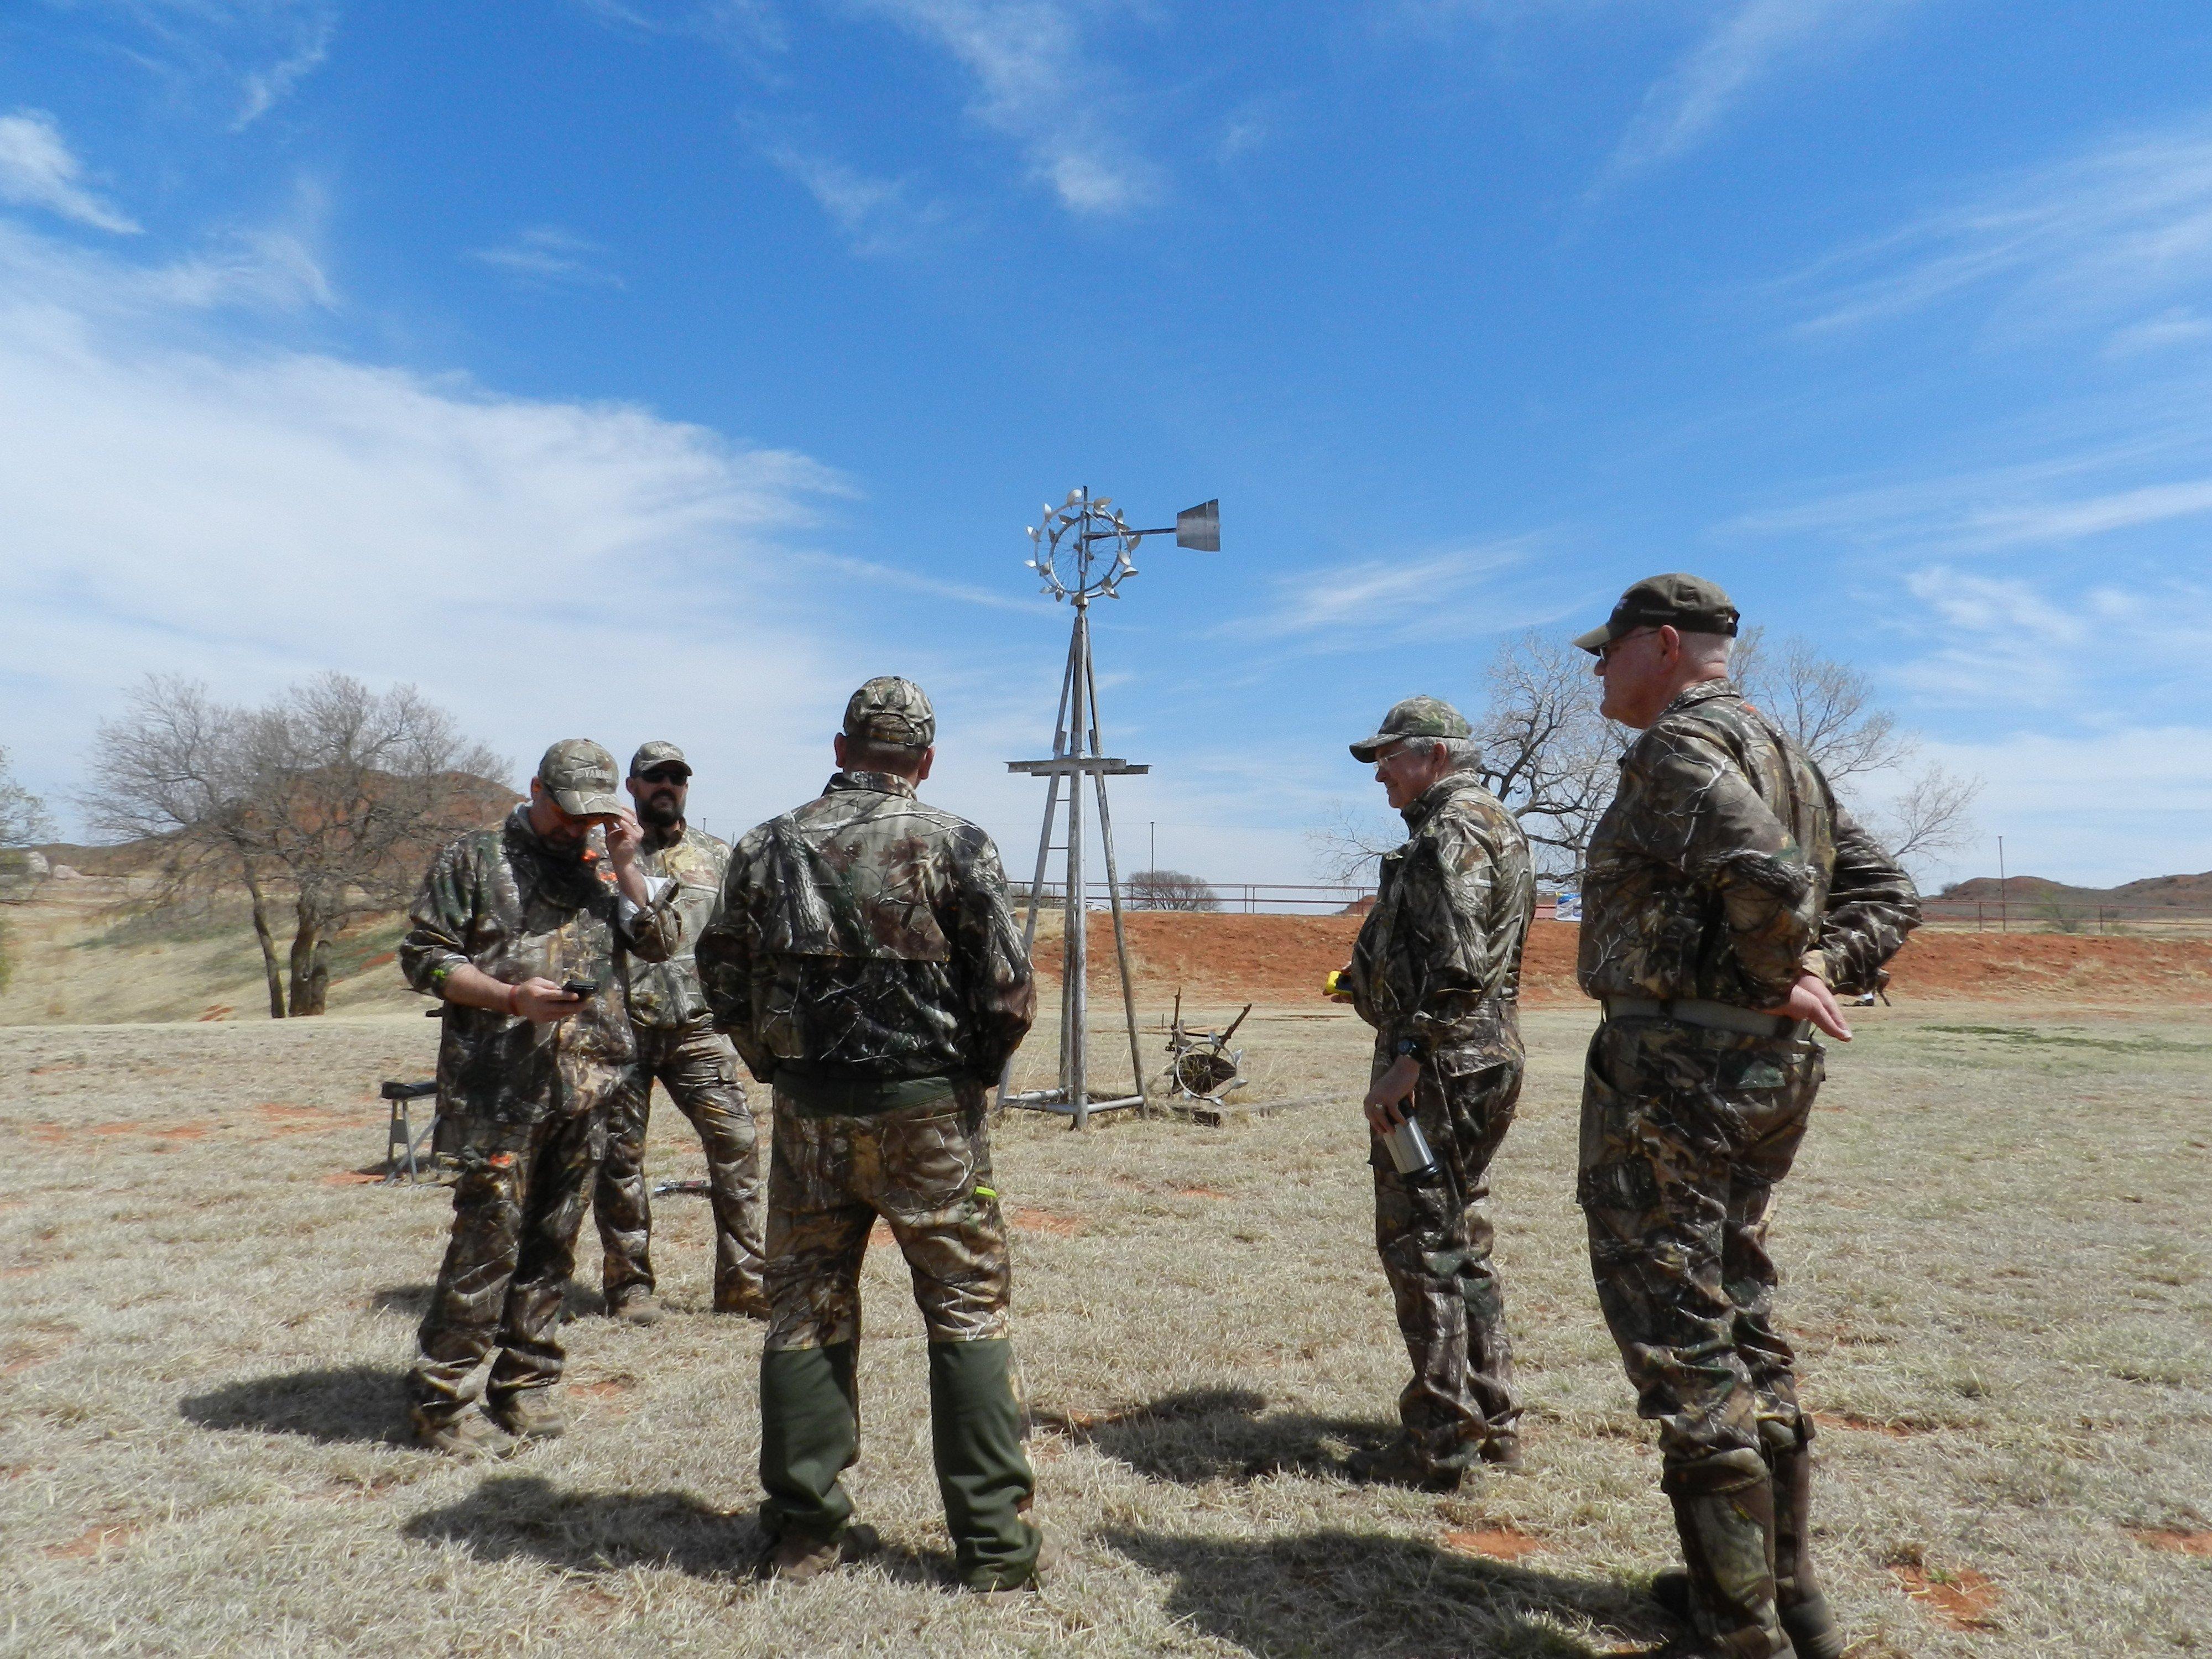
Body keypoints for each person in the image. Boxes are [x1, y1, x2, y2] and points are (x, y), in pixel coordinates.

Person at [1571, 576, 1920, 1659]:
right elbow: (1888, 892)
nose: (1595, 669)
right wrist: (1817, 968)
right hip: (1769, 1073)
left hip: (1678, 1066)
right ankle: (1781, 1596)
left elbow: (1765, 875)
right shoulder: (1787, 758)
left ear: (1662, 646)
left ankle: (1732, 1632)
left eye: (1608, 650)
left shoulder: (1676, 751)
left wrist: (1784, 964)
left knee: (1680, 1331)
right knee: (1739, 1301)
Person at [696, 677, 1042, 1593]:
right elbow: (1008, 991)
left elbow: (719, 971)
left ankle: (803, 1536)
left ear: (842, 748)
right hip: (930, 1117)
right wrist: (967, 1077)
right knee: (966, 1308)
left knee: (805, 1308)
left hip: (809, 1117)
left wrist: (772, 1064)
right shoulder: (957, 842)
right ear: (925, 761)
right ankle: (995, 1554)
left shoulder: (766, 843)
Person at [397, 739, 682, 1457]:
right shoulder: (472, 858)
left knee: (554, 1245)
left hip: (586, 1088)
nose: (574, 827)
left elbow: (660, 942)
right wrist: (507, 998)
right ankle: (442, 1401)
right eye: (564, 812)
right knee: (486, 1244)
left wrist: (626, 867)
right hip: (498, 1087)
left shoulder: (599, 864)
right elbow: (423, 958)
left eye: (591, 815)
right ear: (535, 790)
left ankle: (524, 1384)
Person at [1334, 696, 1536, 1491]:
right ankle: (1495, 1418)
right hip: (1481, 1054)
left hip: (1443, 1065)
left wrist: (1409, 1054)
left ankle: (1442, 1441)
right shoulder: (1495, 824)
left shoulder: (1450, 831)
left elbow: (1458, 959)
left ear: (1435, 757)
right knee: (1460, 1235)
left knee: (1422, 1242)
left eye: (1390, 757)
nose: (1380, 773)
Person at [592, 742, 768, 1325]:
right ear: (634, 787)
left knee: (737, 1145)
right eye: (654, 778)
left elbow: (743, 940)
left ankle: (744, 1284)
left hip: (696, 1029)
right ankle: (630, 1287)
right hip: (620, 1033)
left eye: (677, 778)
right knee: (619, 1160)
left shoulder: (717, 857)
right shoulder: (597, 856)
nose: (667, 786)